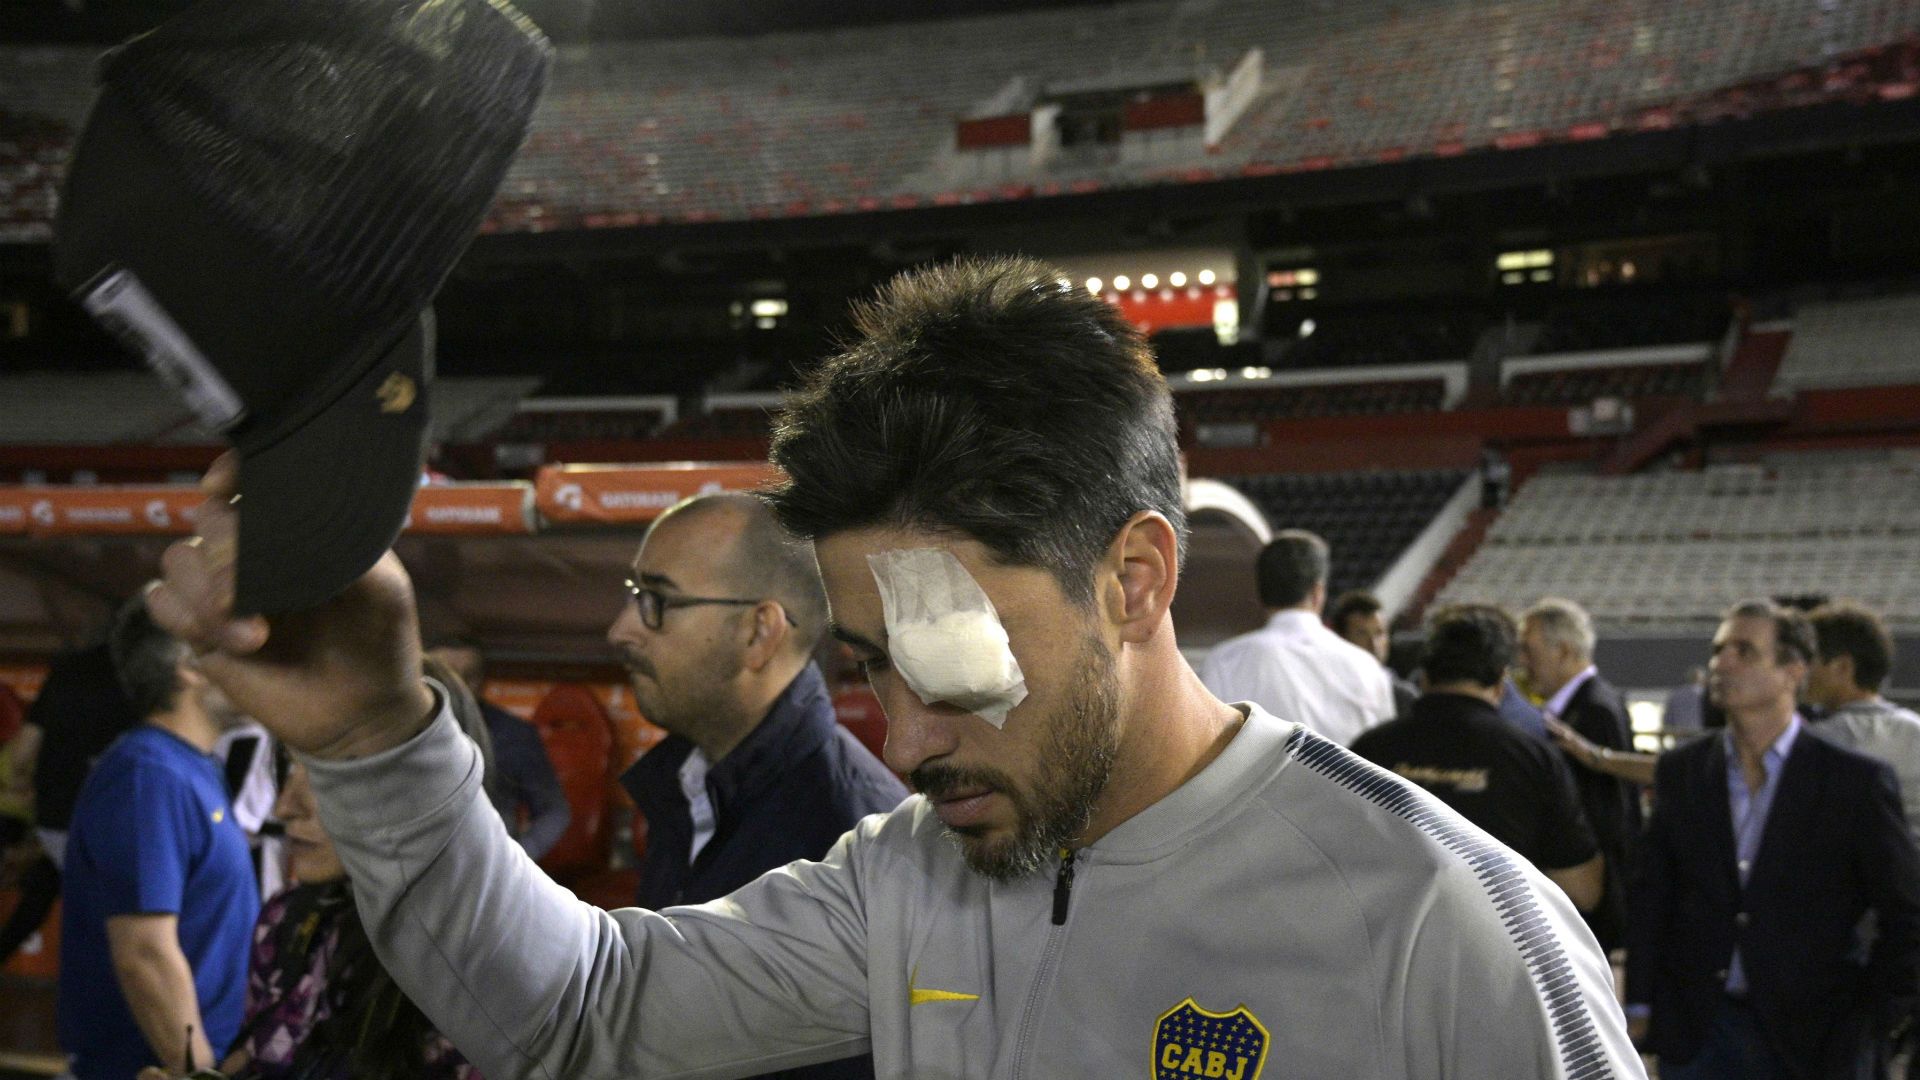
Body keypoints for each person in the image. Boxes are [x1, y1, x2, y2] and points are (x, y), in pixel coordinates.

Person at [149, 257, 1642, 1078]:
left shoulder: (1453, 937)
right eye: (869, 667)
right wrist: (373, 737)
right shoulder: (909, 881)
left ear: (1135, 581)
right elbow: (577, 1010)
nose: (910, 739)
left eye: (956, 663)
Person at [1627, 600, 1920, 1079]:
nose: (1722, 663)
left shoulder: (1854, 782)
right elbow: (1652, 892)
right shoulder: (1683, 771)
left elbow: (1906, 913)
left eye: (1744, 651)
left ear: (1793, 672)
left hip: (1813, 1039)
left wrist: (1874, 1020)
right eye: (1719, 649)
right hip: (1699, 1034)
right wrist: (1641, 1001)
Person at [609, 493, 907, 910]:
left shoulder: (860, 845)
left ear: (759, 633)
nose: (620, 631)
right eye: (634, 593)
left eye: (657, 600)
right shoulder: (685, 783)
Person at [58, 595, 261, 1079]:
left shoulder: (190, 767)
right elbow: (144, 951)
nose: (253, 666)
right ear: (188, 667)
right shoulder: (148, 775)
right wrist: (197, 1071)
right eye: (233, 650)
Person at [1352, 604, 1604, 913]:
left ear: (1425, 677)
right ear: (1500, 683)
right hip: (1499, 945)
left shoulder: (1368, 751)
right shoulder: (1534, 758)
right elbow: (1582, 889)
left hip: (1387, 936)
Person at [0, 638, 140, 966]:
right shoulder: (133, 693)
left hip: (51, 823)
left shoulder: (63, 683)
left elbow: (20, 761)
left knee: (46, 895)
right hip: (88, 825)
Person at [1517, 598, 1640, 953]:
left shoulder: (1593, 711)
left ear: (1564, 651)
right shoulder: (1585, 705)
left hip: (1589, 900)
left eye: (1529, 649)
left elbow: (1606, 815)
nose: (1522, 662)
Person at [1199, 531, 1396, 746]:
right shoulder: (1367, 666)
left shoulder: (1224, 661)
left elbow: (1209, 745)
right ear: (1318, 592)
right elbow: (1385, 754)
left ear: (1259, 593)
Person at [424, 640, 571, 861]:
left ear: (483, 681)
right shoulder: (398, 730)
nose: (460, 687)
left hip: (489, 868)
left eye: (469, 676)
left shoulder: (514, 735)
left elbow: (554, 811)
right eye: (449, 676)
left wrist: (518, 859)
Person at [1805, 601, 1920, 840]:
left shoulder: (1821, 738)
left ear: (1842, 667)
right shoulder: (1915, 726)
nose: (1800, 671)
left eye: (1809, 660)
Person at [1328, 589, 1416, 719]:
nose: (1374, 645)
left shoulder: (1404, 697)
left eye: (1379, 633)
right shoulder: (1327, 693)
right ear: (1341, 638)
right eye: (1361, 634)